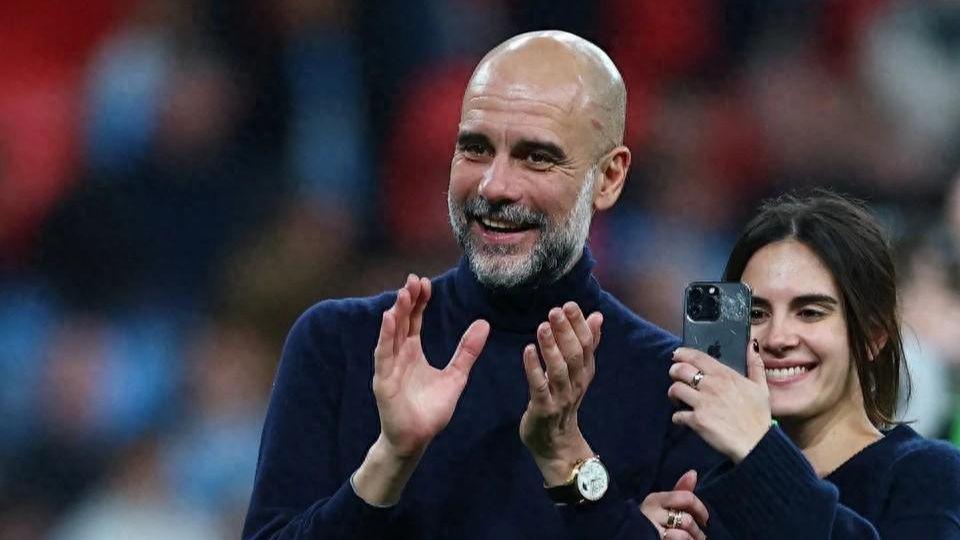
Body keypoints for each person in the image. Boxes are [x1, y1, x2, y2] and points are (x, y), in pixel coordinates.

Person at [241, 31, 720, 540]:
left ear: (608, 178)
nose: (494, 186)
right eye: (475, 148)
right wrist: (389, 460)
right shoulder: (341, 344)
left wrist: (568, 461)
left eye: (537, 157)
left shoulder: (676, 388)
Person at [663, 191, 960, 538]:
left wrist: (762, 452)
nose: (777, 338)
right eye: (756, 313)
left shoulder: (927, 475)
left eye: (809, 313)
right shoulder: (706, 492)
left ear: (874, 336)